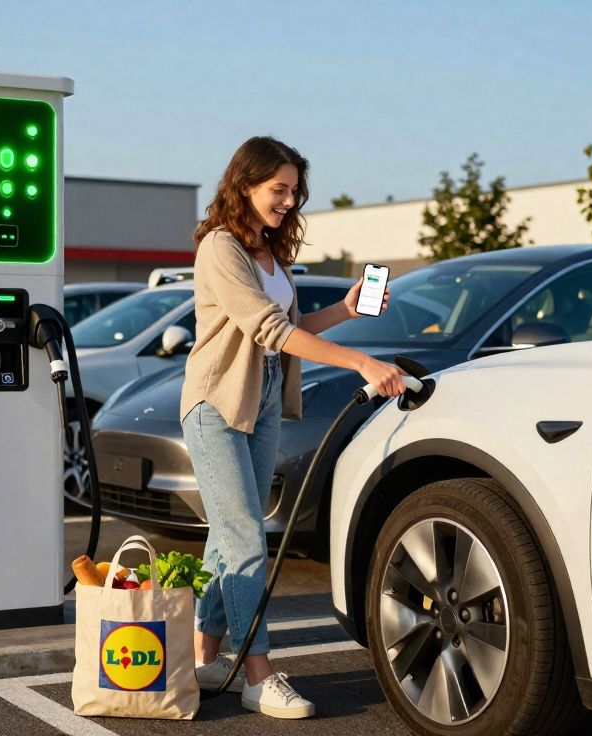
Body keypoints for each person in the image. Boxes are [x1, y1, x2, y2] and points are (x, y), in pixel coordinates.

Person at [180, 136, 407, 719]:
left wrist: (348, 311)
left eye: (294, 191)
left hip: (261, 407)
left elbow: (294, 322)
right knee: (246, 540)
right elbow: (267, 329)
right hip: (216, 405)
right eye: (278, 189)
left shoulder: (267, 253)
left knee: (229, 538)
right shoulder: (220, 248)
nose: (288, 201)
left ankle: (207, 659)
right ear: (246, 185)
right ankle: (257, 674)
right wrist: (361, 361)